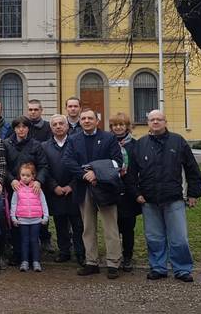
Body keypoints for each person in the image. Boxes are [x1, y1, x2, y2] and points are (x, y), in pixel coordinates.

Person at [129, 110, 201, 283]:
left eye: (159, 119)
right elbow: (132, 174)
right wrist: (137, 194)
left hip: (174, 198)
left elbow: (192, 169)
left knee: (179, 238)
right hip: (149, 200)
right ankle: (158, 267)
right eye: (152, 119)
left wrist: (194, 193)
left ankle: (182, 269)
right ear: (148, 122)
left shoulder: (178, 142)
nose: (155, 122)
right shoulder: (140, 145)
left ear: (165, 122)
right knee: (154, 237)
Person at [62, 108, 123, 279]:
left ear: (97, 121)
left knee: (110, 227)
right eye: (83, 118)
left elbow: (117, 161)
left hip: (105, 188)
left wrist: (96, 172)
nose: (86, 121)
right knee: (88, 228)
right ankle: (92, 262)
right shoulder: (73, 140)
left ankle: (113, 262)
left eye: (90, 118)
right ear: (79, 121)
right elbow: (68, 160)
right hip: (84, 188)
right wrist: (84, 175)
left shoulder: (109, 138)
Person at [2, 116, 49, 265]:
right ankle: (18, 254)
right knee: (16, 222)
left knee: (35, 223)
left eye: (24, 127)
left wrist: (39, 181)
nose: (21, 130)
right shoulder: (6, 144)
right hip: (15, 189)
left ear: (28, 128)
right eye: (18, 127)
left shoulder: (36, 145)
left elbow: (43, 165)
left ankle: (34, 255)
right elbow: (4, 166)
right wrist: (11, 179)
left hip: (33, 191)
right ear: (14, 128)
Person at [42, 115, 85, 265]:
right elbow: (44, 169)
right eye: (55, 124)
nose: (58, 126)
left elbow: (81, 166)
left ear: (67, 126)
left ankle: (80, 253)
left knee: (78, 225)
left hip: (74, 189)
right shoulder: (44, 146)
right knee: (60, 224)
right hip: (56, 191)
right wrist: (54, 186)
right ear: (51, 128)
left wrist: (71, 185)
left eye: (61, 124)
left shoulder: (77, 143)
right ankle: (64, 251)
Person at [109, 112, 141, 272]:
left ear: (127, 126)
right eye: (115, 125)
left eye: (121, 124)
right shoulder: (107, 143)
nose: (118, 128)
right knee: (112, 228)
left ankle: (127, 256)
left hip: (129, 191)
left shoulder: (135, 145)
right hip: (112, 191)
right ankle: (115, 256)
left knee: (128, 228)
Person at [11, 162, 49, 272]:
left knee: (34, 240)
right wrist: (13, 217)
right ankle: (24, 261)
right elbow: (14, 204)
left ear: (33, 176)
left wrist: (45, 216)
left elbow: (43, 202)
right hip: (22, 220)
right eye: (23, 175)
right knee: (24, 240)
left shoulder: (37, 188)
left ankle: (36, 261)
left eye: (28, 175)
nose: (25, 178)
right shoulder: (17, 189)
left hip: (36, 219)